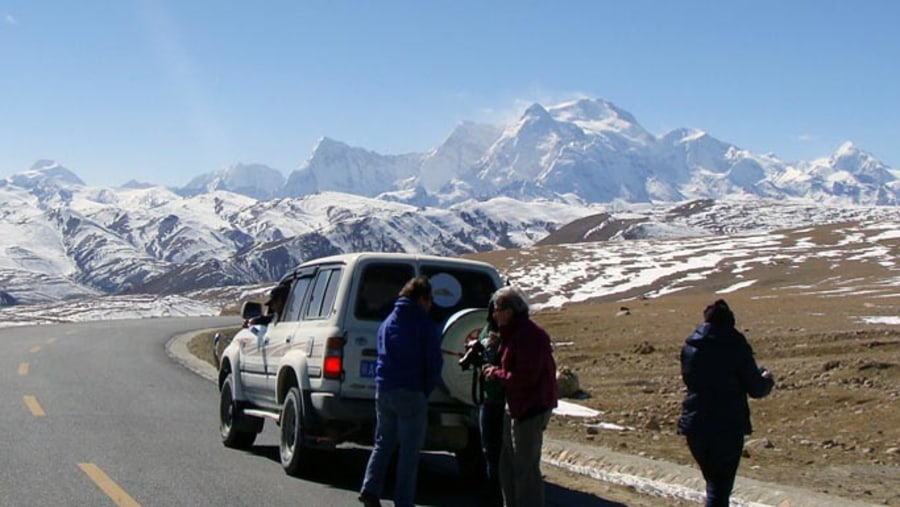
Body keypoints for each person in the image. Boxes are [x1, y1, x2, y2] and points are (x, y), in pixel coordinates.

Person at [678, 299, 775, 507]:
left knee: (714, 484)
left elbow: (691, 380)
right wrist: (767, 379)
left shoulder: (691, 346)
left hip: (695, 424)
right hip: (726, 426)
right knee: (719, 488)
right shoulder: (736, 346)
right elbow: (756, 388)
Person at [359, 276, 442, 507]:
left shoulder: (389, 321)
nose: (431, 305)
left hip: (384, 388)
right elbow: (434, 361)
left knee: (383, 442)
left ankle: (370, 487)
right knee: (409, 452)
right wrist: (426, 388)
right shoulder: (423, 324)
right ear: (421, 299)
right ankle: (403, 501)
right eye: (429, 300)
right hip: (411, 390)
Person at [482, 286, 557, 507]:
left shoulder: (528, 336)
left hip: (530, 407)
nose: (494, 315)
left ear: (510, 311)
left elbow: (524, 378)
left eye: (498, 309)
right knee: (507, 463)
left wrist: (495, 373)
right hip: (514, 405)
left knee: (525, 467)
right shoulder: (512, 333)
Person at [475, 299, 504, 507]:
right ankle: (492, 495)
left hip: (507, 400)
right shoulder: (487, 330)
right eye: (494, 309)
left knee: (505, 454)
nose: (496, 314)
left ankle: (500, 495)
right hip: (488, 397)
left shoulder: (513, 334)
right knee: (489, 452)